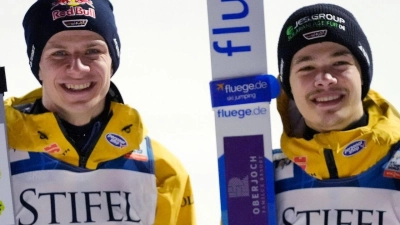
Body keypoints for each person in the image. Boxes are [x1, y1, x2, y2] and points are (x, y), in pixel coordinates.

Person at [4, 0, 195, 224]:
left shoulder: (160, 169)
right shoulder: (3, 153)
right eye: (59, 53)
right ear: (38, 66)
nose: (78, 68)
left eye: (93, 51)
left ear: (112, 62)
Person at [273, 3, 400, 224]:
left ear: (362, 75)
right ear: (288, 86)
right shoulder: (261, 175)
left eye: (340, 63)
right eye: (307, 67)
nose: (324, 78)